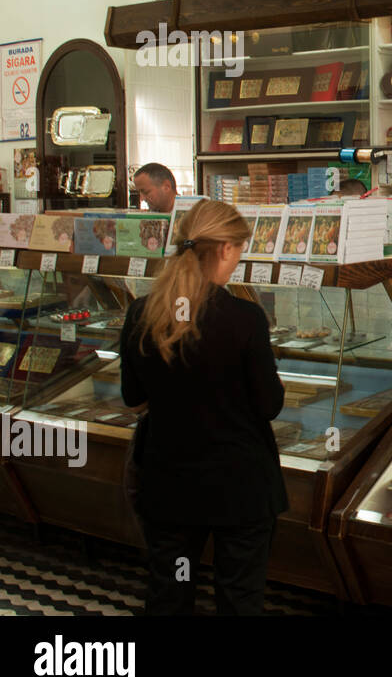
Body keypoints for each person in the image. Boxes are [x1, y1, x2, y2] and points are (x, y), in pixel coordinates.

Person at [119, 199, 287, 615]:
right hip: (239, 487)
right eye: (239, 250)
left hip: (169, 482)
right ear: (226, 249)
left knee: (171, 591)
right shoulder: (245, 318)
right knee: (238, 595)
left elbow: (132, 397)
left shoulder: (143, 312)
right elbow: (269, 405)